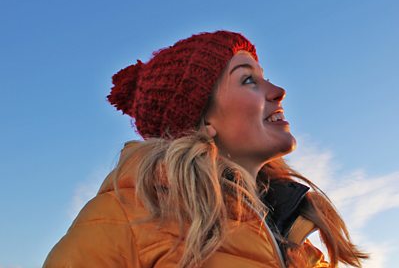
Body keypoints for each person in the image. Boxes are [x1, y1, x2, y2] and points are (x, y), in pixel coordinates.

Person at [44, 31, 369, 268]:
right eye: (248, 81)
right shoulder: (125, 219)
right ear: (203, 121)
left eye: (265, 77)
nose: (278, 92)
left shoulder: (295, 241)